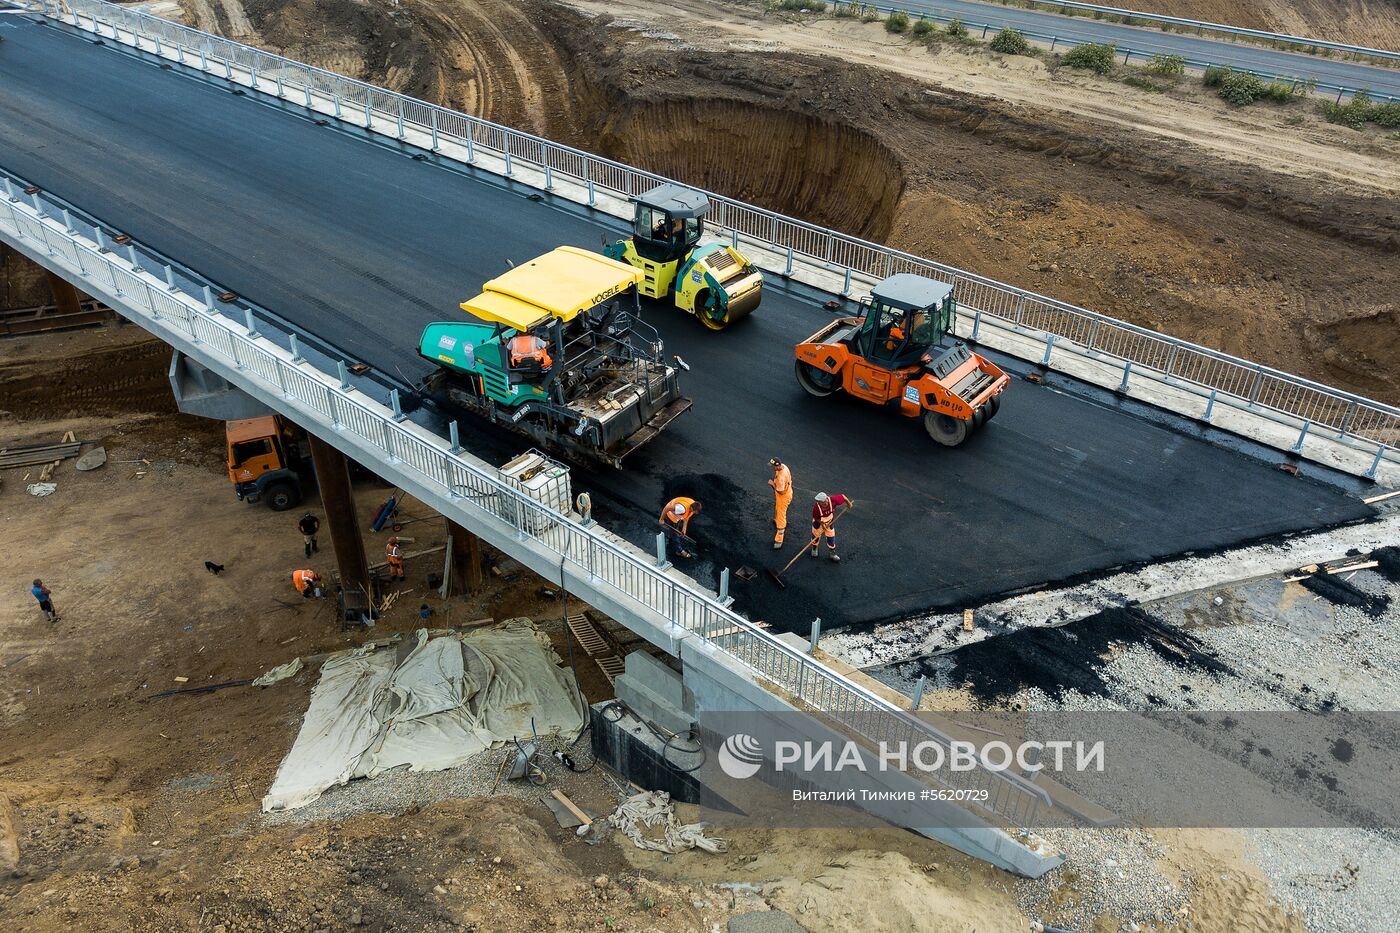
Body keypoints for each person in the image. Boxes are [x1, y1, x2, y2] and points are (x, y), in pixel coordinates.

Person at [810, 492, 854, 562]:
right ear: (818, 502)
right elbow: (816, 518)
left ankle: (832, 553)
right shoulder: (816, 508)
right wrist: (822, 524)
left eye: (826, 501)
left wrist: (849, 504)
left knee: (831, 537)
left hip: (830, 522)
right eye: (823, 503)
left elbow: (843, 497)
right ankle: (814, 548)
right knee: (815, 536)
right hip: (819, 523)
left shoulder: (833, 500)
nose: (826, 503)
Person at [767, 458, 793, 551]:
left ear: (777, 466)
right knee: (778, 510)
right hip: (788, 492)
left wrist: (772, 484)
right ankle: (777, 520)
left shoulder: (781, 478)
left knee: (781, 516)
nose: (772, 467)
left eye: (773, 466)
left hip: (783, 497)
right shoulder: (784, 466)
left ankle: (779, 539)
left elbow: (780, 492)